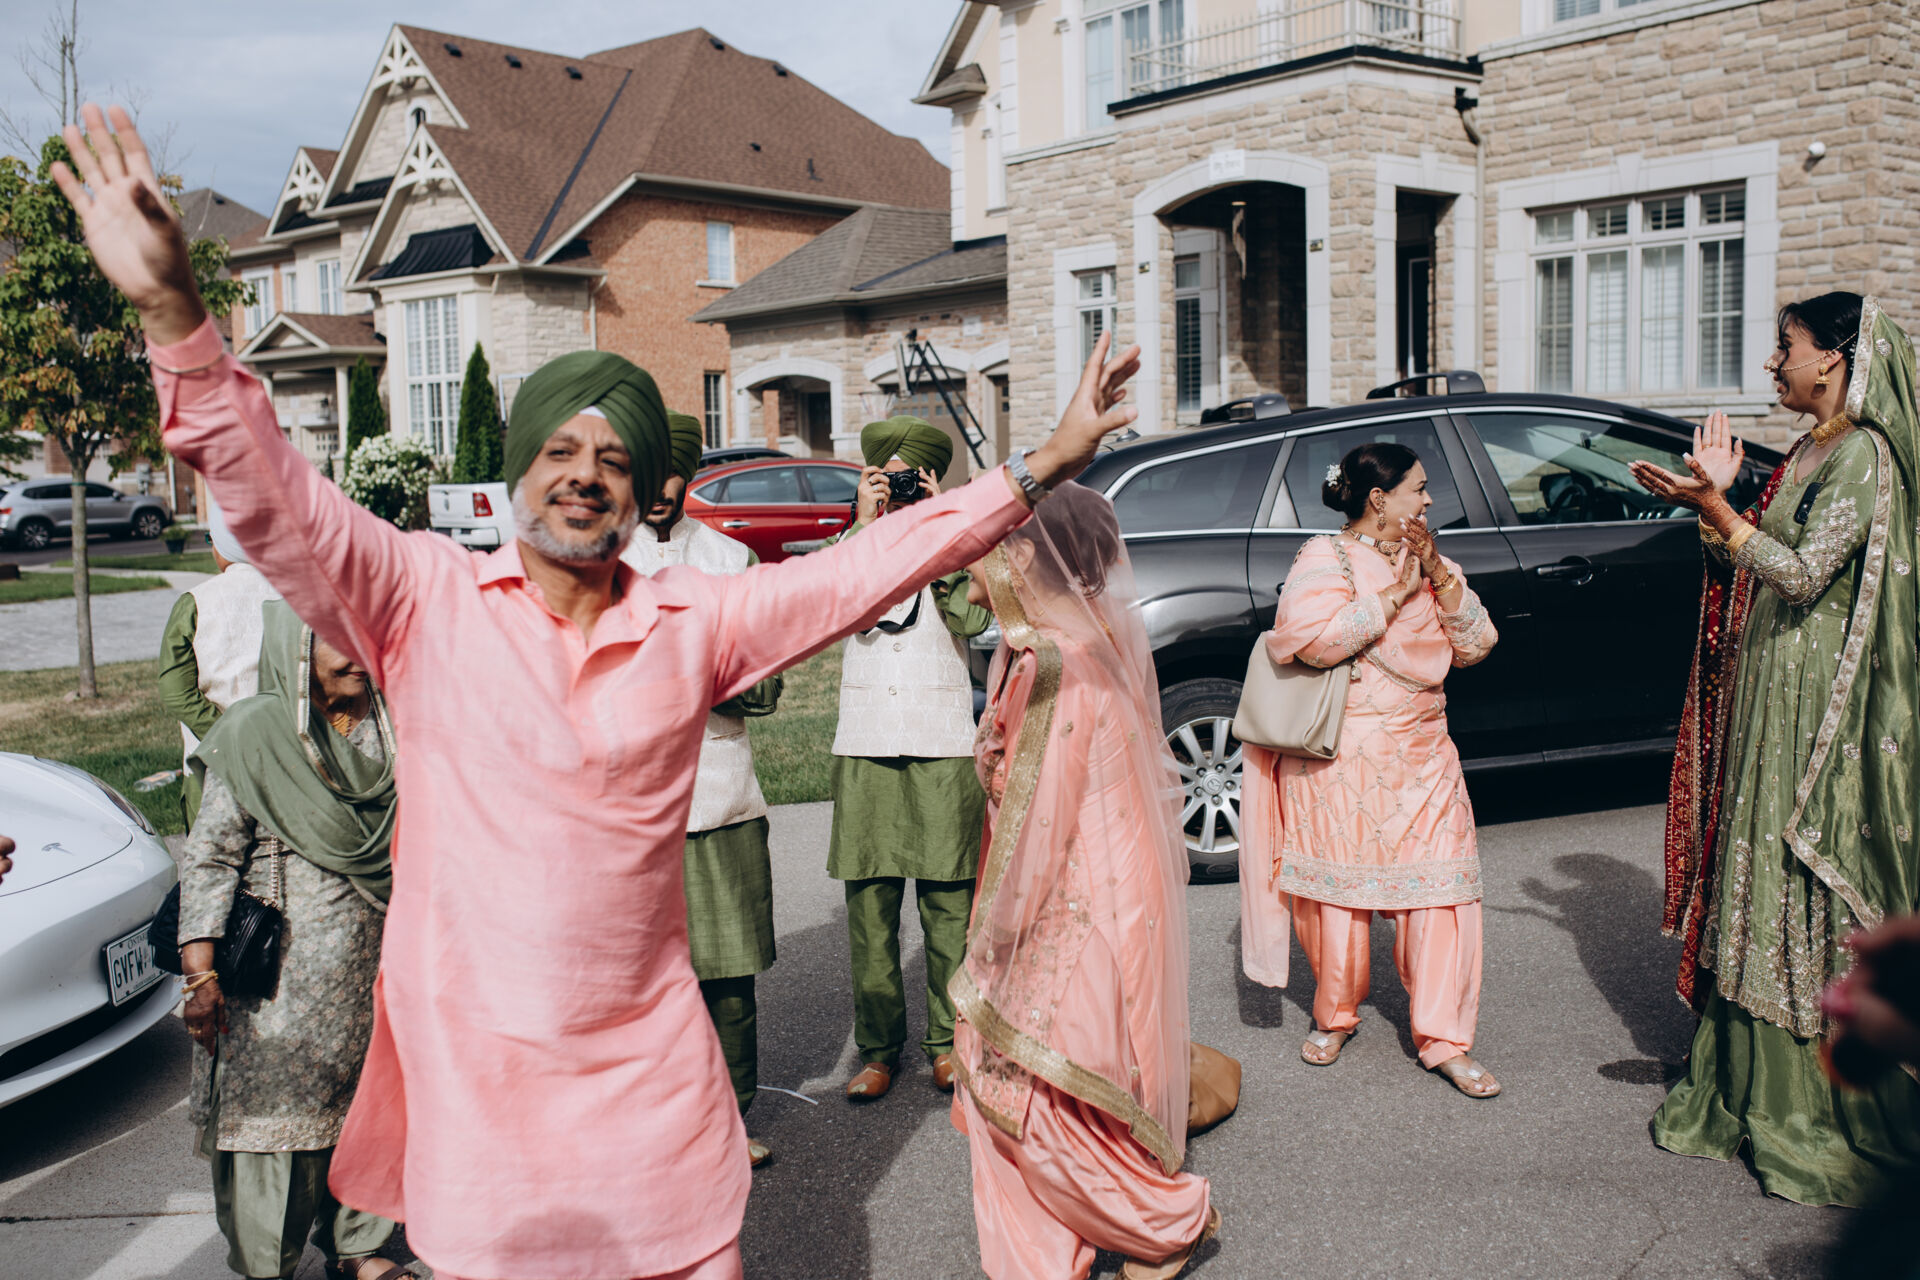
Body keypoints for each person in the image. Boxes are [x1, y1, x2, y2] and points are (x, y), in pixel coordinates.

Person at [53, 102, 1140, 1280]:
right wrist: (175, 316)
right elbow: (273, 498)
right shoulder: (422, 599)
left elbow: (861, 571)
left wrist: (1038, 465)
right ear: (518, 473)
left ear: (640, 491)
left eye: (613, 457)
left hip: (650, 1090)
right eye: (560, 452)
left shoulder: (694, 621)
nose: (585, 474)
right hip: (484, 1101)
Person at [1631, 292, 1920, 1206]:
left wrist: (1719, 506)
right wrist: (1708, 508)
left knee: (1793, 868)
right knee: (1752, 861)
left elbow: (1799, 574)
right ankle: (1742, 1079)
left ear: (1833, 358)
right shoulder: (1807, 451)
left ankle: (1811, 1096)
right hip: (1769, 688)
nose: (1773, 363)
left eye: (1785, 346)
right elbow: (1750, 557)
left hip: (1815, 706)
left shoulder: (1865, 456)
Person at [953, 482, 1215, 1280]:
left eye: (980, 547)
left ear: (1022, 555)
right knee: (1044, 1086)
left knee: (1020, 1086)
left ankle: (1166, 1221)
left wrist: (993, 938)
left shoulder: (1055, 665)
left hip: (1074, 899)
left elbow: (1038, 817)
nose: (966, 563)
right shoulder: (1065, 640)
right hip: (1100, 886)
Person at [1238, 443, 1502, 1097]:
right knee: (1339, 899)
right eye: (1419, 488)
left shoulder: (1433, 561)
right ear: (1380, 499)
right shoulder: (1323, 558)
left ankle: (1444, 1039)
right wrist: (1393, 596)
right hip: (1342, 762)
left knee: (1442, 892)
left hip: (1426, 757)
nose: (1430, 499)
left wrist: (1435, 575)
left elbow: (1477, 645)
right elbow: (1310, 642)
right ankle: (1335, 1015)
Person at [178, 602, 403, 1280]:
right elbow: (211, 857)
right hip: (281, 981)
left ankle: (358, 1247)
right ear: (296, 650)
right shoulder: (255, 733)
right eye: (338, 642)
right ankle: (266, 1262)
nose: (358, 656)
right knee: (277, 1120)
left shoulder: (393, 728)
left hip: (381, 966)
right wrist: (200, 973)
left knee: (373, 1107)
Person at [620, 410, 783, 1169]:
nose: (661, 488)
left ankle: (729, 1123)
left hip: (718, 795)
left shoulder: (730, 559)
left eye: (674, 473)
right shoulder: (599, 561)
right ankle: (651, 1130)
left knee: (727, 976)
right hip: (626, 812)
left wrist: (690, 671)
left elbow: (766, 683)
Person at [828, 416, 992, 1102]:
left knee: (948, 906)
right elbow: (833, 610)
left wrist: (945, 524)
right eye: (885, 477)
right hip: (866, 741)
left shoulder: (958, 543)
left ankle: (948, 1044)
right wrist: (866, 525)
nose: (897, 488)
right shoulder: (848, 545)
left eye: (908, 478)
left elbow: (975, 621)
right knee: (870, 912)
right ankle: (876, 1051)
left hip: (941, 740)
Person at [157, 492, 280, 828]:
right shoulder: (293, 595)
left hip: (213, 759)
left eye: (212, 539)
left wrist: (225, 735)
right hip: (285, 754)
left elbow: (176, 692)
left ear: (223, 543)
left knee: (213, 848)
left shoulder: (195, 603)